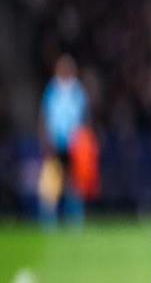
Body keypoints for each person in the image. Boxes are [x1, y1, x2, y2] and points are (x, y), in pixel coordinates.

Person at [38, 54, 89, 226]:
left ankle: (75, 217)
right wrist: (46, 139)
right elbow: (45, 116)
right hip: (55, 142)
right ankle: (48, 218)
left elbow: (84, 117)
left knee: (73, 181)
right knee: (52, 180)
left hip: (74, 143)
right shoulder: (52, 90)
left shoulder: (77, 91)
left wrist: (82, 140)